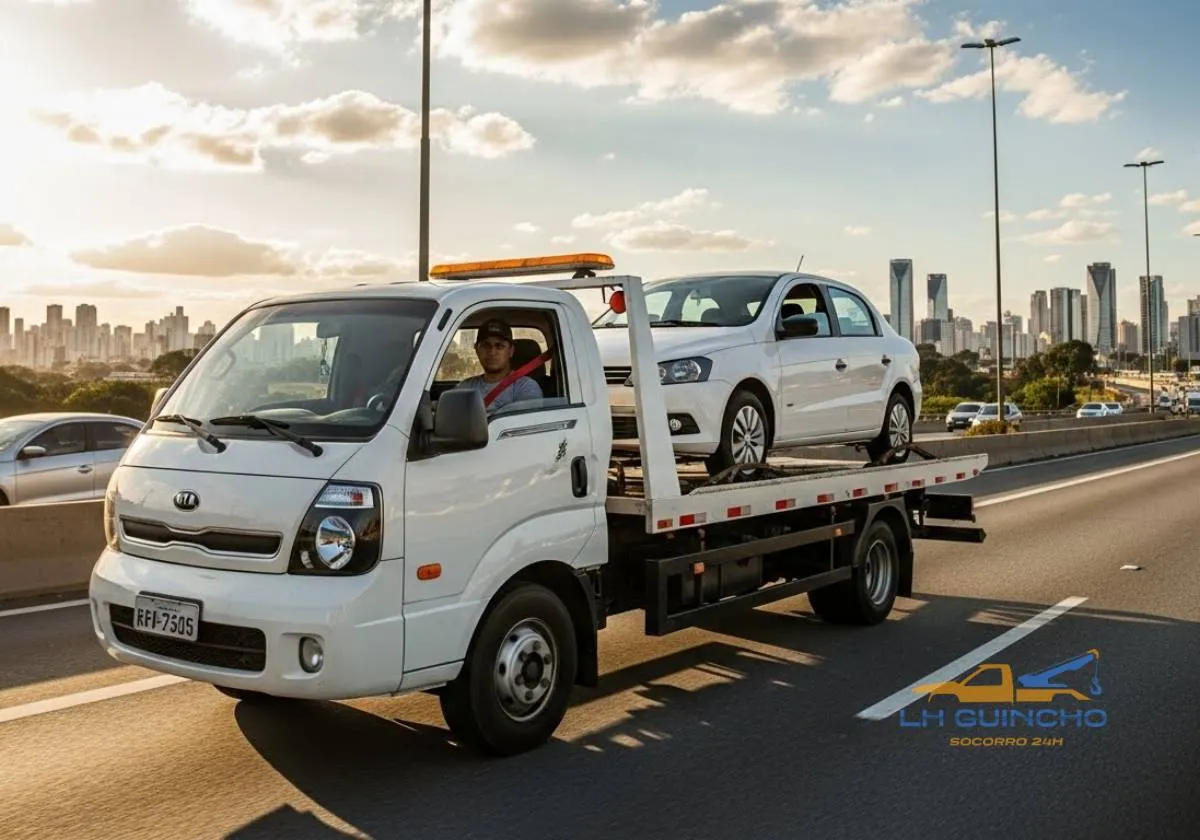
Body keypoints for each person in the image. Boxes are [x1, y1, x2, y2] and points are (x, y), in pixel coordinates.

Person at [456, 318, 543, 413]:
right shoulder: (465, 388)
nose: (492, 352)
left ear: (511, 351)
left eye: (499, 346)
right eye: (486, 346)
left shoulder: (525, 388)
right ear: (477, 350)